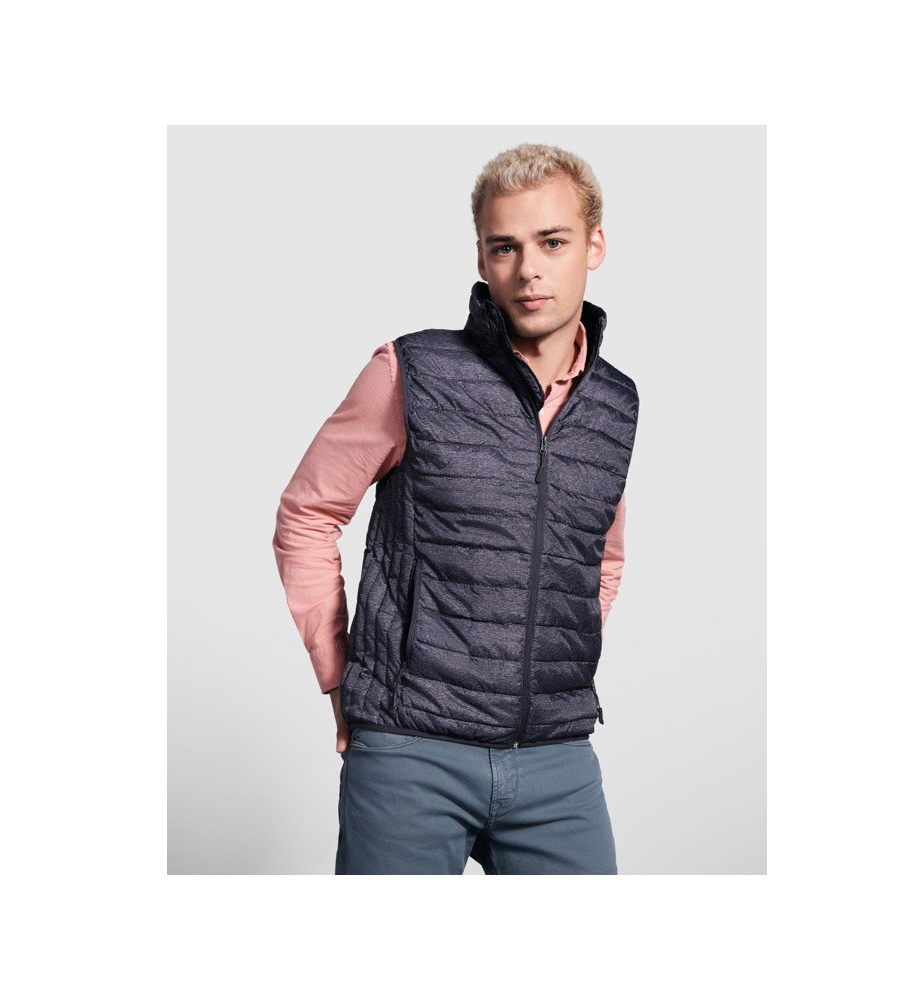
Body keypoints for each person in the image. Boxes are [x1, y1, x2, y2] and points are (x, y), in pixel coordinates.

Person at [273, 142, 640, 874]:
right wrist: (340, 674)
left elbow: (600, 557)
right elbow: (307, 515)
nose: (528, 269)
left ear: (594, 246)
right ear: (481, 257)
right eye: (505, 247)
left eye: (552, 242)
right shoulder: (413, 370)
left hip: (556, 758)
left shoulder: (615, 402)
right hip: (411, 751)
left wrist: (550, 670)